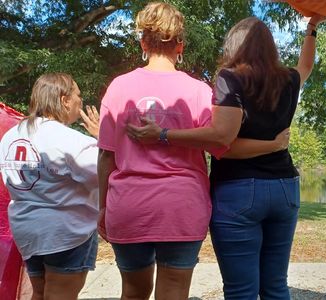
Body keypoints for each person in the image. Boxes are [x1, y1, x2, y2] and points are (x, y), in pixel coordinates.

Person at [127, 14, 326, 299]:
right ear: (270, 46)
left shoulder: (230, 78)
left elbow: (223, 141)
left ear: (234, 45)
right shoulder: (288, 79)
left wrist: (162, 134)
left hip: (240, 190)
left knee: (241, 290)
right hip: (285, 188)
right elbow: (306, 65)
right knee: (276, 286)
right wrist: (312, 28)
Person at [98, 3, 289, 299]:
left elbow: (106, 155)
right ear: (180, 45)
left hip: (128, 205)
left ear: (143, 42)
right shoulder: (199, 91)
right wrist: (273, 144)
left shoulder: (118, 88)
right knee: (174, 292)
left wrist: (102, 206)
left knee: (133, 292)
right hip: (181, 207)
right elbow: (220, 145)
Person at [0, 73, 99, 300]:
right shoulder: (69, 139)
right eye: (78, 95)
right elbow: (103, 175)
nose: (80, 101)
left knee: (40, 292)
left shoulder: (11, 136)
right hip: (65, 232)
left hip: (27, 230)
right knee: (60, 295)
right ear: (64, 100)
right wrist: (103, 140)